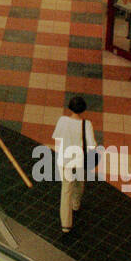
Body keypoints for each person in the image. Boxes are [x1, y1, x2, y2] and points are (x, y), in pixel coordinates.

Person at [52, 96, 95, 233]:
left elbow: (57, 140)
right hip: (79, 161)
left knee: (66, 190)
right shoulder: (86, 124)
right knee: (80, 183)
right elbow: (92, 145)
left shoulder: (62, 120)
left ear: (69, 107)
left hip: (64, 161)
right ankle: (76, 204)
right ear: (83, 109)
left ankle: (66, 224)